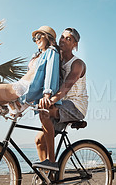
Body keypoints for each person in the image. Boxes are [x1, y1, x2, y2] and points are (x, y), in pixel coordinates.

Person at [32, 28, 87, 172]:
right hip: (60, 105)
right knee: (39, 141)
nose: (63, 40)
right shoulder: (55, 59)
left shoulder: (77, 64)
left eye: (68, 39)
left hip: (75, 106)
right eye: (62, 37)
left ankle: (52, 162)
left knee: (45, 111)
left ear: (75, 44)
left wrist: (50, 100)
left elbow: (66, 86)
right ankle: (48, 177)